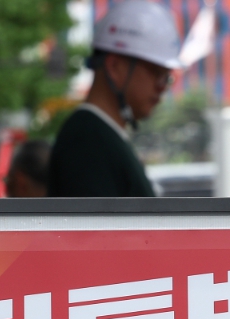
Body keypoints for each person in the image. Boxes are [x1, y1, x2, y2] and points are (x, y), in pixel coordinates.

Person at [47, 0, 183, 197]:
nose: (162, 87)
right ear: (114, 67)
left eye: (166, 77)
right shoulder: (88, 142)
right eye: (156, 72)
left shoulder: (96, 136)